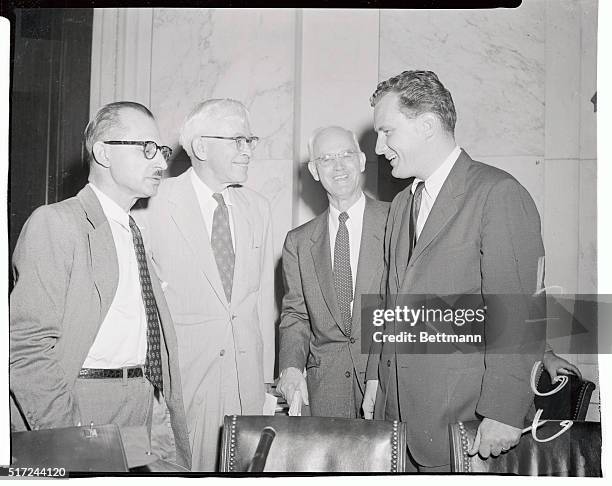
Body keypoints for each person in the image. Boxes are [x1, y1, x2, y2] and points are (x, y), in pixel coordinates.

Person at [363, 70, 546, 471]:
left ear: (427, 125)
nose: (379, 147)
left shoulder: (497, 194)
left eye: (387, 132)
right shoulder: (400, 206)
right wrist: (377, 378)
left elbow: (520, 313)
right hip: (397, 425)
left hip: (465, 429)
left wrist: (504, 410)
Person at [9, 101, 191, 469]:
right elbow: (25, 348)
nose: (160, 163)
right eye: (147, 149)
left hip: (142, 405)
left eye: (162, 151)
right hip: (82, 408)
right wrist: (69, 436)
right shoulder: (56, 223)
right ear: (103, 151)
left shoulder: (131, 229)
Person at [134, 99, 275, 471]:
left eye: (250, 140)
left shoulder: (259, 208)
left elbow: (256, 304)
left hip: (247, 390)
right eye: (238, 140)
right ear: (201, 147)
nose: (248, 151)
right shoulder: (152, 205)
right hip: (184, 387)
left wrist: (264, 385)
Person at [277, 127, 389, 418]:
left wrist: (379, 371)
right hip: (325, 388)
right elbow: (295, 315)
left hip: (388, 382)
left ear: (362, 161)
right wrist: (290, 368)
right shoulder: (298, 242)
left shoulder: (397, 221)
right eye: (326, 159)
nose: (338, 166)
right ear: (314, 170)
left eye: (346, 155)